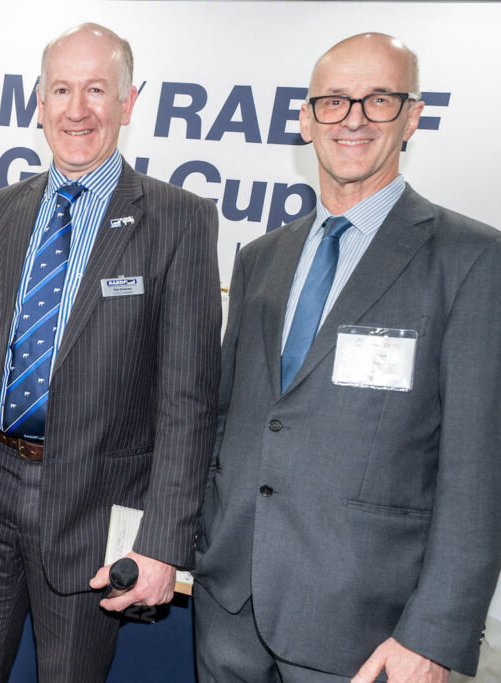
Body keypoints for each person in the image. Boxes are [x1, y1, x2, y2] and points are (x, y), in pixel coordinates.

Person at [0, 23, 220, 681]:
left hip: (93, 509)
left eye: (96, 90)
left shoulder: (179, 220)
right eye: (61, 90)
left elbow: (188, 402)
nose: (77, 110)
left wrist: (163, 541)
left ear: (128, 102)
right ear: (40, 103)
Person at [193, 33, 501, 682]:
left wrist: (434, 635)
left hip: (366, 631)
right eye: (333, 101)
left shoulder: (471, 260)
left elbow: (479, 471)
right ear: (306, 120)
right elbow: (229, 423)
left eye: (378, 99)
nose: (353, 118)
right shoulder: (261, 258)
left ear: (412, 116)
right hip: (229, 609)